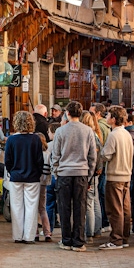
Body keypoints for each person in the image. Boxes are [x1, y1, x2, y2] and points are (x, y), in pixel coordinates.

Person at [50, 101, 97, 252]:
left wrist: (56, 172)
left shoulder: (60, 131)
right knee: (80, 208)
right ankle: (79, 242)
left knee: (64, 208)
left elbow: (55, 155)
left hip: (64, 174)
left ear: (67, 114)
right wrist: (89, 175)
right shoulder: (88, 131)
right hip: (82, 174)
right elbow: (92, 157)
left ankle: (66, 240)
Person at [5, 111, 44, 244]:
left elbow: (7, 161)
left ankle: (17, 236)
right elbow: (40, 160)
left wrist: (12, 172)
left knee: (16, 207)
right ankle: (29, 236)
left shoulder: (11, 140)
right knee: (31, 207)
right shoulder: (36, 139)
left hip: (16, 177)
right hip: (32, 177)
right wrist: (37, 173)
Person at [98, 106, 134, 250]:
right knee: (125, 208)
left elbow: (106, 155)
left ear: (113, 119)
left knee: (115, 209)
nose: (106, 118)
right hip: (126, 175)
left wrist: (99, 152)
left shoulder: (113, 135)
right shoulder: (126, 134)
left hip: (115, 176)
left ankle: (116, 239)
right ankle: (124, 237)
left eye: (108, 116)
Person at [80, 110, 103, 243]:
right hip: (95, 172)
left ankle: (89, 231)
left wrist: (93, 171)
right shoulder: (96, 134)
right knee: (95, 201)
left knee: (89, 202)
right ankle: (97, 229)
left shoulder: (90, 135)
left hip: (90, 173)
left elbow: (94, 156)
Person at [89, 102, 111, 232]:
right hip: (102, 165)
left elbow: (99, 149)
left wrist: (99, 165)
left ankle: (102, 223)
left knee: (98, 196)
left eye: (92, 113)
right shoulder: (105, 127)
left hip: (99, 166)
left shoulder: (100, 128)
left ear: (97, 113)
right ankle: (102, 222)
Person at [35, 132, 53, 242]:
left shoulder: (35, 154)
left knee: (33, 208)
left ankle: (35, 233)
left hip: (35, 181)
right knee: (42, 208)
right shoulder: (48, 153)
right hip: (45, 183)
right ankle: (47, 233)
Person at [46, 122, 62, 234]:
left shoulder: (48, 146)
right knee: (63, 204)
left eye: (49, 131)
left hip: (51, 176)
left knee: (49, 204)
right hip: (62, 176)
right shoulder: (64, 144)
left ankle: (49, 229)